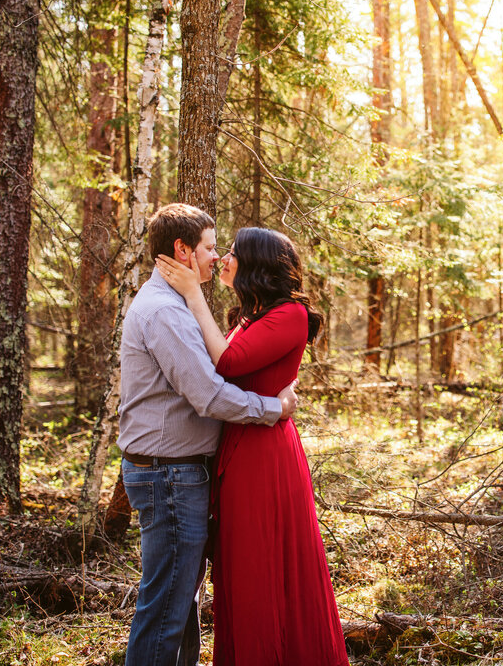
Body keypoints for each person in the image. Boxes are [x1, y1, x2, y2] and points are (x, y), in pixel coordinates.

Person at [156, 227, 348, 666]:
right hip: (240, 448)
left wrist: (193, 293)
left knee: (261, 564)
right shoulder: (251, 316)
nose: (224, 258)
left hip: (265, 457)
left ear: (257, 266)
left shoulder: (290, 315)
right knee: (242, 569)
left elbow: (229, 363)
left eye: (234, 254)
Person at [117, 203, 300, 666]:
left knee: (180, 604)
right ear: (182, 250)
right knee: (165, 610)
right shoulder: (165, 312)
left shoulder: (176, 305)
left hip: (177, 473)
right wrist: (274, 408)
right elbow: (210, 397)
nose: (217, 257)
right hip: (168, 475)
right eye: (210, 247)